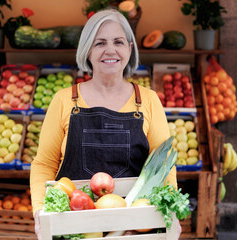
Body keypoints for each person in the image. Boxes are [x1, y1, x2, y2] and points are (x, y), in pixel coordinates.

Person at [30, 9, 178, 239]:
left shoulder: (148, 100)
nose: (110, 50)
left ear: (129, 49)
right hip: (75, 226)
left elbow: (164, 166)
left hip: (134, 229)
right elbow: (43, 164)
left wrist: (170, 215)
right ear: (87, 50)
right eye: (100, 43)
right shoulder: (63, 100)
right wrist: (40, 211)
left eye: (118, 42)